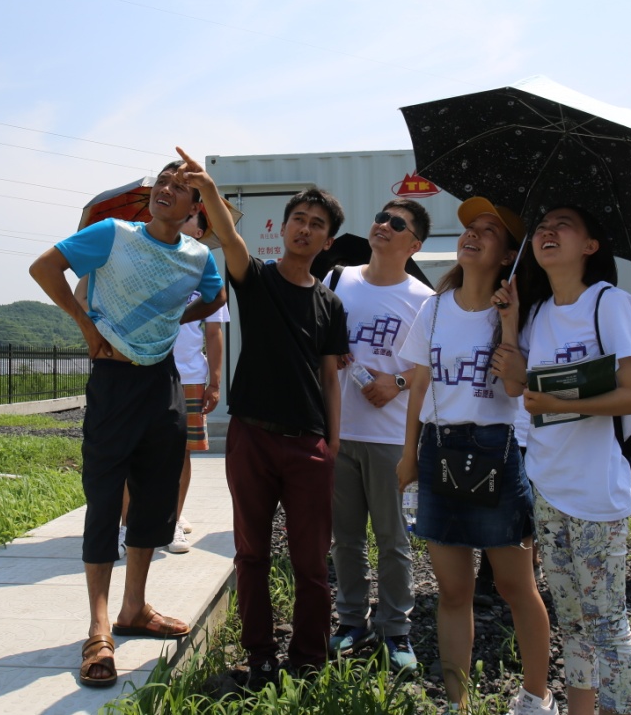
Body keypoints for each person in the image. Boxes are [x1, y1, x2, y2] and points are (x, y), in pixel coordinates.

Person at [28, 160, 227, 689]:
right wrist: (85, 324)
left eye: (181, 188)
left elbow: (216, 296)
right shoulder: (113, 234)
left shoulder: (198, 256)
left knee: (155, 497)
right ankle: (99, 629)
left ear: (194, 208)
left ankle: (134, 607)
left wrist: (172, 318)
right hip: (114, 381)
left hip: (162, 381)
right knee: (104, 498)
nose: (167, 190)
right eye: (163, 182)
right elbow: (44, 267)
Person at [175, 147, 348, 686]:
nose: (305, 228)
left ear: (327, 241)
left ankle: (310, 659)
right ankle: (261, 657)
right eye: (299, 218)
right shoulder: (257, 280)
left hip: (309, 443)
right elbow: (229, 239)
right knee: (250, 553)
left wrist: (333, 443)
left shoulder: (330, 305)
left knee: (311, 562)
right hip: (252, 436)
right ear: (286, 226)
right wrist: (208, 190)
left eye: (317, 224)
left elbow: (330, 378)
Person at [398, 198, 556, 715]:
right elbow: (419, 386)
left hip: (497, 448)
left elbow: (515, 388)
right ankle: (457, 702)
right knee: (451, 591)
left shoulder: (522, 312)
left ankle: (537, 696)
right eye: (471, 228)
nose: (473, 235)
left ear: (509, 254)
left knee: (515, 585)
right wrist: (408, 455)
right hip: (438, 448)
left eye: (489, 231)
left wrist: (508, 324)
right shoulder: (434, 307)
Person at [493, 205, 631, 715]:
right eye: (541, 227)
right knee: (572, 618)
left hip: (596, 491)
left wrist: (558, 403)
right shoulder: (537, 312)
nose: (546, 232)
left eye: (562, 225)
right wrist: (509, 320)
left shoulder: (609, 303)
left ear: (590, 246)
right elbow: (516, 387)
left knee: (607, 620)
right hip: (547, 485)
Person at [328, 198, 433, 673]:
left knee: (393, 540)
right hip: (339, 430)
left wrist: (399, 382)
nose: (383, 226)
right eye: (380, 218)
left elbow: (432, 367)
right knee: (345, 539)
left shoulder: (423, 299)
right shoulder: (338, 279)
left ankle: (395, 629)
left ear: (415, 244)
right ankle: (352, 621)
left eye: (397, 223)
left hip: (392, 437)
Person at [169, 207, 230, 554]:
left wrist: (215, 383)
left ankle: (174, 520)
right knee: (143, 451)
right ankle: (133, 522)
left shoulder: (206, 272)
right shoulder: (150, 263)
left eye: (191, 217)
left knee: (181, 452)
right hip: (148, 370)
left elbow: (214, 332)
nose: (183, 218)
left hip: (190, 376)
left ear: (200, 232)